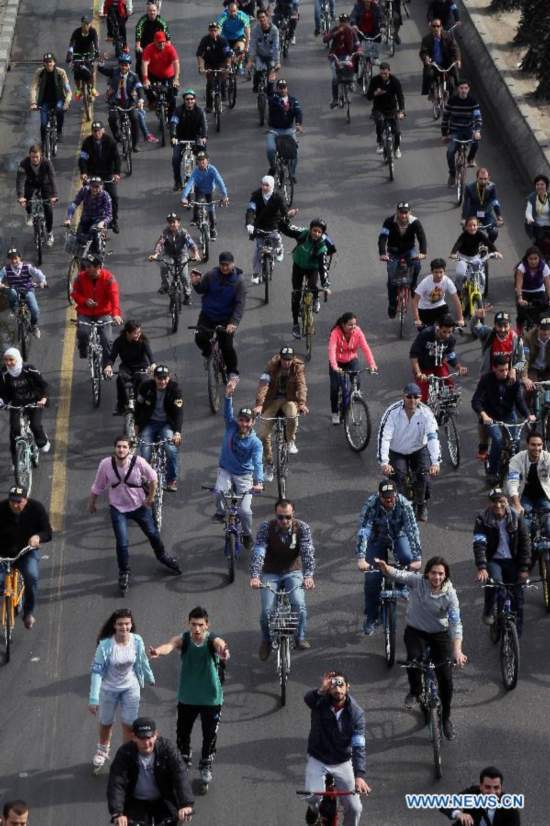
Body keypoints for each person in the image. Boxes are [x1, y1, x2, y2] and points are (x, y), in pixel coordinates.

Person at [376, 555, 467, 739]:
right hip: (416, 631)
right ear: (427, 574)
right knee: (413, 659)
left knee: (446, 681)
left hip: (439, 634)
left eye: (441, 574)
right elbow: (399, 575)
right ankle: (415, 691)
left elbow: (455, 623)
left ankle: (446, 719)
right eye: (433, 573)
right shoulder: (418, 582)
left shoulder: (450, 594)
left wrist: (457, 650)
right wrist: (385, 568)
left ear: (446, 576)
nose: (437, 577)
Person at [149, 605, 229, 789]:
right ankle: (184, 759)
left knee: (210, 736)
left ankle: (206, 764)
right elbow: (169, 645)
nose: (197, 629)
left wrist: (224, 650)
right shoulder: (183, 639)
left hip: (211, 699)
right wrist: (158, 652)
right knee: (182, 734)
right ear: (188, 624)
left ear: (207, 625)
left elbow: (220, 644)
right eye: (193, 624)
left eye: (201, 625)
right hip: (187, 699)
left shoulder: (212, 640)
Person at [90, 434, 181, 589]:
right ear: (114, 448)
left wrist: (150, 498)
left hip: (139, 506)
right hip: (118, 508)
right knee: (122, 543)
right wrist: (92, 503)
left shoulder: (138, 462)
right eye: (118, 446)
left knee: (153, 533)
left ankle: (162, 556)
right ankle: (124, 571)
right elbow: (97, 486)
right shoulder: (106, 464)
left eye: (124, 446)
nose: (121, 449)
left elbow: (153, 478)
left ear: (130, 449)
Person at [88, 608, 156, 772]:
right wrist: (93, 699)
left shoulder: (137, 640)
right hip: (109, 689)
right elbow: (97, 673)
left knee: (129, 724)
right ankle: (102, 750)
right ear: (114, 625)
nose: (124, 627)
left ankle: (126, 755)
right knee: (106, 722)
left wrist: (149, 677)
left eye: (127, 624)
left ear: (131, 625)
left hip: (130, 688)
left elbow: (142, 660)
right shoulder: (105, 646)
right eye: (120, 624)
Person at [303, 671, 371, 826]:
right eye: (334, 685)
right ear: (329, 688)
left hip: (342, 762)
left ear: (347, 687)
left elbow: (359, 745)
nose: (338, 689)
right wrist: (321, 690)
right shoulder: (319, 702)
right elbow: (308, 699)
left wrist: (359, 776)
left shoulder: (356, 714)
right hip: (318, 758)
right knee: (312, 796)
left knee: (355, 808)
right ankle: (313, 810)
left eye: (341, 685)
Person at [250, 497, 315, 656]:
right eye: (280, 517)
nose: (284, 520)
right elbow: (259, 551)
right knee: (266, 611)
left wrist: (308, 576)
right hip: (270, 572)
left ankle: (299, 637)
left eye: (288, 516)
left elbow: (307, 552)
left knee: (299, 604)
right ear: (275, 515)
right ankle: (266, 640)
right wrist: (255, 575)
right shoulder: (266, 527)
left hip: (292, 571)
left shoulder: (303, 528)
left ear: (293, 514)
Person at [356, 480, 422, 635]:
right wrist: (361, 557)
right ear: (379, 495)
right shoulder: (371, 504)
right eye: (385, 497)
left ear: (396, 495)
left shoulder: (404, 504)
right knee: (372, 580)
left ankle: (401, 586)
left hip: (398, 536)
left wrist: (417, 557)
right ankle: (372, 617)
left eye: (391, 497)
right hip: (376, 539)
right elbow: (364, 529)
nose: (389, 500)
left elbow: (412, 530)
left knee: (407, 557)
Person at [107, 717, 194, 824]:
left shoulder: (167, 749)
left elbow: (180, 774)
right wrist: (117, 813)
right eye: (142, 738)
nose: (147, 742)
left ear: (156, 734)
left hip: (163, 799)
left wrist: (186, 804)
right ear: (134, 737)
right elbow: (116, 782)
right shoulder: (125, 753)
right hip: (136, 802)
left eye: (150, 737)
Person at [377, 383, 441, 522]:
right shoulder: (392, 413)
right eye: (409, 397)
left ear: (420, 398)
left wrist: (436, 462)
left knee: (425, 476)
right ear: (403, 397)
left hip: (418, 448)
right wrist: (384, 462)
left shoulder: (426, 414)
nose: (412, 400)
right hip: (397, 451)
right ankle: (403, 505)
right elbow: (384, 437)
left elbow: (432, 437)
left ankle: (421, 504)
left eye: (416, 397)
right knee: (398, 476)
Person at [473, 488, 530, 635]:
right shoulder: (482, 519)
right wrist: (482, 567)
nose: (498, 505)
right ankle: (489, 610)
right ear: (490, 503)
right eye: (494, 502)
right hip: (495, 561)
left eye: (501, 501)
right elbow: (479, 544)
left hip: (513, 561)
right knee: (495, 582)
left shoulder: (517, 517)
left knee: (518, 598)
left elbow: (525, 543)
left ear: (507, 501)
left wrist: (524, 569)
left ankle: (516, 634)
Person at [212, 383, 263, 546]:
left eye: (247, 421)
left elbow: (258, 463)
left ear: (253, 422)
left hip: (244, 476)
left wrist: (259, 482)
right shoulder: (231, 426)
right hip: (226, 470)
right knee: (219, 492)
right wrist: (228, 395)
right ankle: (220, 513)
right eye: (241, 420)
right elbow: (227, 413)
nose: (243, 424)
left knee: (245, 511)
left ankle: (247, 534)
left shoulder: (256, 443)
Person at [471, 356, 534, 483]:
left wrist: (528, 415)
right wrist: (484, 415)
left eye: (506, 369)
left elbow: (519, 401)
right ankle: (493, 472)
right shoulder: (486, 379)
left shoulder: (513, 380)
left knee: (515, 442)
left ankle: (515, 470)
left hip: (508, 414)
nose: (505, 373)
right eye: (501, 370)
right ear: (494, 369)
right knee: (498, 440)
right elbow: (476, 401)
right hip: (491, 416)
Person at [0, 484, 52, 629]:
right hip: (3, 554)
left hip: (25, 552)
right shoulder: (1, 509)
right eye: (12, 501)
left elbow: (47, 532)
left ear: (26, 500)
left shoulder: (36, 509)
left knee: (31, 576)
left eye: (19, 501)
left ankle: (28, 612)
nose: (15, 505)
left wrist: (37, 537)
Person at [254, 346, 308, 481]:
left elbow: (302, 385)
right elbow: (263, 385)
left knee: (292, 415)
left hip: (289, 399)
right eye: (284, 360)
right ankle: (269, 463)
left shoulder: (298, 367)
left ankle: (290, 441)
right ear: (280, 358)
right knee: (263, 434)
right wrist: (260, 404)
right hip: (272, 401)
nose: (286, 363)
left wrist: (301, 403)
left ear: (293, 359)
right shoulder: (272, 366)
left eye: (289, 360)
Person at [191, 251, 246, 378]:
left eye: (227, 265)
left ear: (233, 264)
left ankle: (232, 372)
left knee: (227, 346)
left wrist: (233, 323)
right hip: (208, 315)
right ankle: (209, 354)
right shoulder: (211, 275)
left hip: (226, 319)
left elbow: (240, 304)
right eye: (222, 265)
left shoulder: (239, 281)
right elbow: (201, 290)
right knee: (199, 338)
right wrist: (196, 283)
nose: (224, 267)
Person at [281, 217, 335, 339]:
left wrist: (326, 286)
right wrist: (285, 217)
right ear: (310, 229)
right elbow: (286, 229)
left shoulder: (322, 247)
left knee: (312, 286)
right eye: (314, 230)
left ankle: (315, 298)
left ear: (322, 233)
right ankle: (295, 324)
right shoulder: (302, 233)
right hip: (298, 266)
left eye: (319, 232)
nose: (316, 233)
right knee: (296, 294)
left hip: (313, 268)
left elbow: (323, 268)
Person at [135, 365, 183, 493]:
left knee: (170, 449)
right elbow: (138, 405)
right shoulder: (146, 387)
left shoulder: (175, 389)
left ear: (169, 377)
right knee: (145, 452)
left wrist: (177, 432)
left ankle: (171, 479)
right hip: (149, 423)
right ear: (154, 378)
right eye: (159, 378)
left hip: (166, 424)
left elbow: (178, 412)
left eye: (165, 378)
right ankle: (146, 479)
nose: (162, 381)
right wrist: (137, 424)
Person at [98, 53, 156, 154]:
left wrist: (141, 100)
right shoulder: (114, 72)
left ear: (129, 65)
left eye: (126, 65)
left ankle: (135, 144)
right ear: (119, 65)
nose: (124, 67)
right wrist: (100, 62)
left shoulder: (134, 76)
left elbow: (140, 89)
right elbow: (102, 69)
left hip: (129, 102)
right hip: (115, 101)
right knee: (112, 118)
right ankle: (117, 136)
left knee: (135, 118)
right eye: (122, 64)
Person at [71, 254, 122, 364]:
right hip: (85, 313)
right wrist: (85, 301)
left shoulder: (109, 278)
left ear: (98, 267)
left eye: (89, 267)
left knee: (107, 340)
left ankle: (107, 366)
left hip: (103, 313)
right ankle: (82, 348)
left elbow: (114, 297)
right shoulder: (80, 278)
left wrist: (116, 314)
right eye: (86, 267)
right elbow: (74, 293)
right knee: (83, 333)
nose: (86, 269)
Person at [378, 201, 427, 318]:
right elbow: (383, 237)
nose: (403, 215)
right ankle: (392, 304)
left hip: (409, 250)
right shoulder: (389, 221)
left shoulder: (415, 222)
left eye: (405, 213)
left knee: (417, 265)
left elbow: (422, 237)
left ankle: (413, 284)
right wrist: (382, 253)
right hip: (393, 252)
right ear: (397, 212)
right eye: (401, 213)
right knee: (391, 279)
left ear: (409, 212)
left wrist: (423, 252)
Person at [328, 312, 377, 425]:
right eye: (350, 325)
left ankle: (355, 394)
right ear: (343, 325)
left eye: (354, 324)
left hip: (351, 359)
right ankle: (335, 412)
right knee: (335, 387)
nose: (353, 327)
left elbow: (365, 348)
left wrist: (372, 364)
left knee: (357, 379)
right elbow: (331, 350)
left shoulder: (358, 332)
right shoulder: (335, 333)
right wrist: (335, 367)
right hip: (337, 362)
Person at [0, 347, 50, 458]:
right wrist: (2, 401)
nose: (8, 363)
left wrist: (43, 399)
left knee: (35, 426)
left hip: (34, 402)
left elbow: (43, 385)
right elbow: (2, 391)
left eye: (11, 359)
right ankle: (18, 459)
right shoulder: (4, 373)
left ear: (17, 359)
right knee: (15, 430)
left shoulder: (29, 369)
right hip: (16, 404)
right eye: (6, 360)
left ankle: (42, 440)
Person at [246, 174, 295, 285]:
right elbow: (250, 210)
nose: (264, 187)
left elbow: (283, 209)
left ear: (272, 186)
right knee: (258, 250)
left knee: (276, 238)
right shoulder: (256, 195)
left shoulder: (278, 196)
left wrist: (287, 216)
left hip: (274, 223)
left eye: (267, 185)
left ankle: (279, 248)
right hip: (260, 224)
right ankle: (256, 273)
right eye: (262, 184)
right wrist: (249, 224)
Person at [409, 314, 468, 402]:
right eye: (444, 332)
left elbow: (450, 355)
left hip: (439, 364)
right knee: (423, 398)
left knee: (448, 386)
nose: (447, 335)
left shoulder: (450, 339)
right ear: (438, 327)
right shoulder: (426, 334)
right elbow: (414, 355)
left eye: (450, 332)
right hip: (423, 368)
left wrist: (459, 367)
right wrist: (419, 373)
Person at [440, 765, 522, 825]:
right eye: (488, 787)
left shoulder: (510, 807)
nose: (492, 793)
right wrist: (459, 814)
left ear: (501, 787)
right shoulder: (472, 794)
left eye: (496, 787)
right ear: (481, 786)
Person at [78, 121, 122, 233]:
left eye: (98, 131)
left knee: (114, 196)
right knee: (87, 196)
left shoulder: (110, 141)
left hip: (107, 174)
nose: (96, 133)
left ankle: (114, 221)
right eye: (94, 131)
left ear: (103, 130)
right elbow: (82, 159)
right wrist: (84, 172)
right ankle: (86, 220)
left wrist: (116, 173)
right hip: (93, 174)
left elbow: (117, 158)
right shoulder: (87, 143)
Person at [507, 430, 550, 539]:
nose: (537, 448)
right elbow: (513, 483)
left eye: (539, 445)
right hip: (525, 497)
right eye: (533, 445)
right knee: (524, 528)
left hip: (543, 496)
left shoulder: (548, 458)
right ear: (527, 445)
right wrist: (517, 504)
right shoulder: (516, 460)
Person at [104, 320, 154, 414]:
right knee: (120, 380)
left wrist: (153, 365)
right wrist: (109, 366)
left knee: (143, 382)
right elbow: (112, 357)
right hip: (126, 367)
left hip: (141, 367)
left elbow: (150, 355)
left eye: (139, 332)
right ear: (128, 333)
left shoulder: (143, 340)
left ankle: (143, 404)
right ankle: (121, 405)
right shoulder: (119, 341)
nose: (138, 335)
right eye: (135, 333)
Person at [441, 78, 482, 187]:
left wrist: (477, 131)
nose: (463, 90)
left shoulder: (473, 101)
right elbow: (445, 118)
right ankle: (452, 174)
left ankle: (470, 159)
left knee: (476, 142)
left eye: (465, 88)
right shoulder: (452, 101)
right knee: (450, 152)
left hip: (469, 130)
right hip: (455, 131)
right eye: (461, 88)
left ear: (469, 89)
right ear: (458, 89)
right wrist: (444, 134)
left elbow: (478, 117)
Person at [149, 213, 200, 297]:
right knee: (163, 266)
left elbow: (191, 244)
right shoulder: (165, 233)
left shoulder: (184, 233)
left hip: (182, 255)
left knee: (183, 275)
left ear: (178, 223)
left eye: (173, 222)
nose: (172, 224)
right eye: (170, 222)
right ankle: (165, 285)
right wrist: (155, 255)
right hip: (169, 254)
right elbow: (160, 243)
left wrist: (196, 254)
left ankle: (187, 292)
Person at [181, 151, 229, 241]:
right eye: (199, 161)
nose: (202, 163)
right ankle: (195, 219)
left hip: (210, 191)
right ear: (197, 162)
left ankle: (213, 229)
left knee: (211, 210)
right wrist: (184, 197)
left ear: (207, 161)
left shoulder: (212, 169)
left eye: (204, 161)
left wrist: (224, 195)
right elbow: (189, 184)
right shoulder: (195, 171)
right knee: (197, 204)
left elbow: (220, 182)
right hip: (199, 190)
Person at [16, 143, 57, 246]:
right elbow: (20, 180)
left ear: (41, 156)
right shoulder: (24, 163)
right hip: (31, 183)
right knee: (27, 198)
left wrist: (54, 195)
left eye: (37, 157)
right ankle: (29, 214)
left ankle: (50, 232)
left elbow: (52, 178)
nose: (34, 159)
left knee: (48, 209)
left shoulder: (47, 163)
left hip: (45, 184)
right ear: (29, 156)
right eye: (32, 157)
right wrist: (21, 197)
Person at [0, 248, 47, 337]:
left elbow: (38, 274)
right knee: (12, 292)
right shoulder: (5, 269)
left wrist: (42, 281)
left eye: (16, 258)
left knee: (35, 310)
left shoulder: (27, 267)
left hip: (27, 290)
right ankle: (14, 310)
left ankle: (34, 326)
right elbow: (0, 276)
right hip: (14, 290)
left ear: (20, 258)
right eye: (11, 259)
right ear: (9, 260)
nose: (14, 261)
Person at [29, 52, 72, 147]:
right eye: (46, 62)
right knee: (43, 124)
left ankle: (59, 132)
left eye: (50, 61)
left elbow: (68, 90)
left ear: (54, 62)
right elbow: (33, 87)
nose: (48, 64)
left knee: (60, 110)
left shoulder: (61, 73)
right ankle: (43, 143)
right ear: (43, 63)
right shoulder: (39, 73)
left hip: (58, 99)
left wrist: (67, 102)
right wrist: (33, 102)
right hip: (44, 101)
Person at [450, 215, 501, 293]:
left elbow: (488, 243)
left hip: (475, 257)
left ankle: (481, 291)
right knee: (460, 274)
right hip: (463, 257)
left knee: (480, 274)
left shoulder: (480, 234)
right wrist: (453, 253)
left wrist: (496, 251)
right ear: (466, 227)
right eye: (469, 226)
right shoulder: (463, 236)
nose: (472, 227)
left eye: (474, 225)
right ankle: (458, 290)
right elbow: (458, 244)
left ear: (477, 226)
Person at [170, 89, 208, 191]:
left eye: (191, 99)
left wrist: (204, 137)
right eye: (187, 99)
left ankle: (203, 179)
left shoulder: (200, 111)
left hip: (196, 140)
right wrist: (173, 136)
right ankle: (178, 181)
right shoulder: (178, 111)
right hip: (181, 140)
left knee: (202, 159)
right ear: (184, 100)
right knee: (175, 159)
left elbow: (204, 126)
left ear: (195, 100)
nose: (189, 101)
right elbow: (173, 123)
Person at [266, 78, 304, 181]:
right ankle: (273, 167)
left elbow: (298, 112)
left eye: (284, 87)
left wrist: (298, 124)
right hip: (274, 130)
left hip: (288, 130)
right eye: (280, 88)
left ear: (287, 88)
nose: (282, 90)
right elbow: (269, 92)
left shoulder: (293, 100)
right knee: (270, 150)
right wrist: (270, 82)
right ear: (277, 89)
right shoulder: (274, 98)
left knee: (294, 152)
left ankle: (292, 173)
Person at [366, 61, 405, 157]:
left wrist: (402, 111)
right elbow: (368, 96)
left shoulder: (395, 81)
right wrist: (375, 93)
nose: (383, 75)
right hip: (378, 109)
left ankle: (396, 148)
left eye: (385, 73)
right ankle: (380, 143)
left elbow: (400, 96)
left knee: (397, 132)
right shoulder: (375, 80)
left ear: (389, 72)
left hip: (392, 109)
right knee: (379, 122)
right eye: (381, 73)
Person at [412, 257, 465, 328]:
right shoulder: (425, 282)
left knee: (448, 326)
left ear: (444, 271)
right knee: (427, 332)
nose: (439, 275)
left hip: (440, 307)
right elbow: (415, 301)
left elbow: (456, 301)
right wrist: (417, 319)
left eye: (441, 272)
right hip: (425, 309)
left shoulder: (447, 281)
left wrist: (460, 319)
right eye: (436, 272)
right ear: (432, 272)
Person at [65, 177, 113, 249]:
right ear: (89, 185)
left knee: (94, 236)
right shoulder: (84, 190)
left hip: (99, 220)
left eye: (97, 187)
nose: (94, 189)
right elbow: (74, 204)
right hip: (86, 218)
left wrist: (103, 222)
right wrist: (68, 218)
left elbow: (109, 215)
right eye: (92, 186)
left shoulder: (105, 196)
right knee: (78, 239)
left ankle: (98, 256)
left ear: (101, 187)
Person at [323, 14, 359, 109]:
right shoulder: (335, 29)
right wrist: (337, 32)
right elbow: (325, 39)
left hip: (347, 55)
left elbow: (357, 43)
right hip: (335, 56)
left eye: (345, 22)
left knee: (351, 65)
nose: (344, 24)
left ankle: (351, 82)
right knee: (335, 78)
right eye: (342, 21)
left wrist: (359, 50)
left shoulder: (351, 31)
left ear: (348, 22)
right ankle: (335, 99)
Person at [196, 21, 233, 112]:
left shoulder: (223, 40)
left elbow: (228, 54)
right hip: (209, 63)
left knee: (222, 78)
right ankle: (209, 106)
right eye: (212, 30)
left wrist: (228, 66)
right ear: (209, 31)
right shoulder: (205, 40)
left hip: (221, 62)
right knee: (210, 83)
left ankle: (223, 94)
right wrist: (201, 66)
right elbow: (199, 54)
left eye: (215, 30)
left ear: (218, 31)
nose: (213, 32)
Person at [141, 31, 180, 117]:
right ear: (154, 41)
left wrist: (176, 79)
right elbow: (145, 64)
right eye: (159, 42)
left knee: (172, 97)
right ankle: (152, 102)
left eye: (163, 42)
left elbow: (176, 63)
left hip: (169, 75)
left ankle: (172, 118)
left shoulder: (170, 48)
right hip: (154, 75)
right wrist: (145, 79)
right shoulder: (149, 48)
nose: (161, 44)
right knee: (147, 87)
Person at [419, 17, 460, 96]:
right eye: (434, 26)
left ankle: (458, 91)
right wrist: (426, 58)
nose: (436, 28)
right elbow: (423, 52)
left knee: (452, 80)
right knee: (428, 75)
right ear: (431, 27)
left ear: (441, 27)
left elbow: (455, 48)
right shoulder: (426, 39)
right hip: (433, 64)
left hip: (446, 63)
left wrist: (457, 59)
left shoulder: (448, 36)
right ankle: (429, 92)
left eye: (438, 26)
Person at [462, 167, 504, 243]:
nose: (483, 181)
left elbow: (494, 201)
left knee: (494, 232)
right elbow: (466, 204)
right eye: (481, 179)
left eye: (485, 179)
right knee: (469, 232)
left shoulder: (492, 187)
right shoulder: (469, 188)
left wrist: (499, 216)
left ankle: (487, 246)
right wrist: (464, 218)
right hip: (473, 213)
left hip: (486, 213)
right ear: (477, 178)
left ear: (489, 178)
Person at [514, 245, 550, 333]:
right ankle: (519, 327)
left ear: (539, 258)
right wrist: (520, 298)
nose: (533, 261)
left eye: (535, 258)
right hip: (524, 291)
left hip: (539, 291)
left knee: (545, 311)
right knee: (521, 311)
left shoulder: (544, 267)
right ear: (527, 259)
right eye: (531, 259)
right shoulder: (521, 267)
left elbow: (548, 286)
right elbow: (519, 285)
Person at [247, 7, 280, 96]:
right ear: (258, 19)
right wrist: (250, 61)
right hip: (260, 56)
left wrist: (277, 62)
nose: (262, 19)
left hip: (270, 57)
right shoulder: (255, 30)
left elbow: (276, 47)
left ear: (267, 17)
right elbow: (252, 45)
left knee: (271, 79)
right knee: (257, 71)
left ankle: (270, 93)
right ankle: (256, 85)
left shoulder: (274, 30)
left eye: (263, 17)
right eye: (260, 17)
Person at [67, 14, 99, 98]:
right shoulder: (76, 32)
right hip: (78, 52)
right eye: (84, 23)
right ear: (81, 24)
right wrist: (69, 55)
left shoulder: (93, 31)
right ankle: (78, 90)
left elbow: (95, 43)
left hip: (89, 52)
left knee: (92, 69)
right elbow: (71, 44)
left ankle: (93, 88)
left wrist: (97, 53)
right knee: (76, 72)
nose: (86, 26)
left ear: (90, 24)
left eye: (87, 24)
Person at [135, 1, 170, 78]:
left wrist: (168, 46)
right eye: (150, 11)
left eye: (154, 11)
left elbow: (167, 34)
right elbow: (138, 30)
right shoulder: (142, 20)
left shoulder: (161, 21)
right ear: (147, 11)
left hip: (155, 44)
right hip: (144, 43)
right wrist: (138, 45)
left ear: (157, 12)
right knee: (139, 56)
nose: (152, 13)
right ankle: (140, 76)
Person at [524, 173, 550, 253]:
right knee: (540, 248)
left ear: (546, 186)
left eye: (542, 184)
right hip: (538, 227)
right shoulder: (531, 198)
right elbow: (528, 211)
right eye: (537, 184)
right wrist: (529, 218)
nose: (540, 186)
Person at [522, 316, 550, 388]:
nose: (546, 332)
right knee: (530, 388)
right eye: (543, 329)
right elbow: (525, 357)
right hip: (533, 368)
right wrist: (525, 377)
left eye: (548, 329)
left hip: (547, 368)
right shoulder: (529, 337)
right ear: (538, 327)